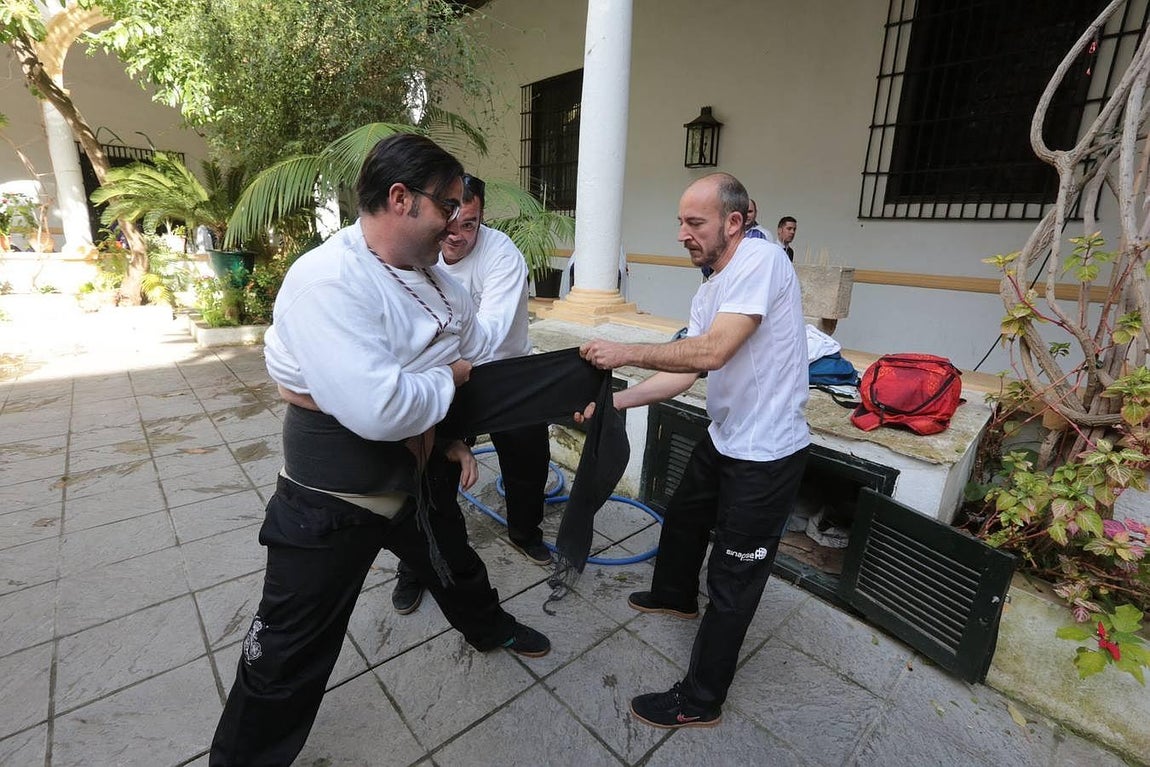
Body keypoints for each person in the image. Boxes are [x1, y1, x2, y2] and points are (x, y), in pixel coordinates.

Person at [209, 134, 550, 767]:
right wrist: (442, 381)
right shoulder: (328, 281)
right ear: (401, 199)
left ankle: (489, 628)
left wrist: (447, 423)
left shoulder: (435, 279)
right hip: (335, 493)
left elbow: (471, 346)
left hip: (416, 472)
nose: (456, 222)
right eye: (447, 205)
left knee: (453, 561)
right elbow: (381, 408)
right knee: (287, 648)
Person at [578, 172, 809, 729]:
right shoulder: (713, 283)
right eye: (680, 221)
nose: (682, 233)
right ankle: (676, 594)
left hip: (767, 452)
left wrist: (623, 352)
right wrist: (617, 403)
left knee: (733, 581)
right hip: (728, 434)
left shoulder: (762, 260)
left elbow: (713, 351)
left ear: (735, 222)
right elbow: (686, 369)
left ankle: (700, 699)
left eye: (694, 222)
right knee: (683, 515)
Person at [391, 172, 553, 617]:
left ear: (482, 218)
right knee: (429, 473)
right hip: (447, 374)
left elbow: (494, 333)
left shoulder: (502, 255)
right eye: (453, 221)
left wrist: (442, 353)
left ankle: (525, 533)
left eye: (471, 224)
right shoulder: (422, 251)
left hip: (507, 371)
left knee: (528, 460)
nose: (458, 235)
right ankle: (416, 566)